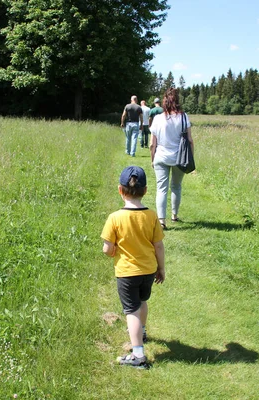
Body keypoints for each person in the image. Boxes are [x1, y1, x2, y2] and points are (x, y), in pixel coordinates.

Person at [101, 166, 166, 368]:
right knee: (142, 301)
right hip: (148, 270)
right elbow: (158, 245)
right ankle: (142, 331)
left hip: (127, 272)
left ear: (120, 190)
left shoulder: (115, 218)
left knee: (131, 311)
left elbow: (107, 248)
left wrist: (113, 251)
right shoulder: (152, 215)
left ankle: (138, 355)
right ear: (145, 190)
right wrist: (161, 268)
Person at [149, 88, 194, 229]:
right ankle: (174, 215)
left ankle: (161, 221)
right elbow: (190, 140)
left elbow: (152, 144)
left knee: (161, 188)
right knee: (176, 187)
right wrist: (191, 158)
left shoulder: (157, 118)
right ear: (178, 101)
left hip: (161, 157)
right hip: (179, 158)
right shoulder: (184, 117)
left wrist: (152, 159)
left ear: (164, 102)